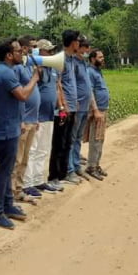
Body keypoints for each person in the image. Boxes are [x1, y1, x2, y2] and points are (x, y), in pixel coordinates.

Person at [0, 38, 39, 229]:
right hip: (4, 130)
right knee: (4, 171)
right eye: (18, 51)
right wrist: (34, 78)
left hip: (9, 127)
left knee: (8, 169)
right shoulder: (5, 73)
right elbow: (23, 95)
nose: (22, 53)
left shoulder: (4, 71)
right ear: (9, 55)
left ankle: (8, 205)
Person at [24, 39, 63, 196]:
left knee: (43, 149)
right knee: (32, 149)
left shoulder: (53, 69)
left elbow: (56, 88)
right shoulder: (34, 68)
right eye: (48, 51)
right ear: (39, 52)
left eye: (52, 50)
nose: (52, 53)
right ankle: (28, 182)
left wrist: (60, 107)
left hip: (48, 114)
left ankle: (39, 180)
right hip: (37, 116)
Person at [48, 30, 81, 188]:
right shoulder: (60, 59)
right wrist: (63, 106)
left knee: (68, 141)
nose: (79, 44)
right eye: (77, 41)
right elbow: (57, 83)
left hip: (72, 107)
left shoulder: (72, 59)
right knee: (59, 143)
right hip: (63, 108)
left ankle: (64, 174)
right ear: (72, 42)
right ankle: (54, 175)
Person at [15, 36, 41, 204]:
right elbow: (18, 94)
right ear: (24, 48)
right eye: (31, 47)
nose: (34, 50)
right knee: (17, 159)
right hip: (24, 121)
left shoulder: (27, 67)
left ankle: (19, 189)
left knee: (24, 159)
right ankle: (12, 192)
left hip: (32, 119)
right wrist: (21, 119)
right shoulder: (17, 69)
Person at [68, 37, 93, 182]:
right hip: (77, 106)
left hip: (85, 106)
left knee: (78, 138)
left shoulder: (83, 63)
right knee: (72, 138)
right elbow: (71, 84)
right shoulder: (74, 64)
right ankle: (70, 168)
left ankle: (76, 165)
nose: (87, 51)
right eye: (85, 48)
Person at [85, 49, 110, 180]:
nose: (102, 59)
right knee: (95, 139)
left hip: (102, 109)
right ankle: (91, 167)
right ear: (92, 59)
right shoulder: (90, 72)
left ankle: (96, 164)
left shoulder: (98, 71)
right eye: (100, 57)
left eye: (102, 56)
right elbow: (90, 92)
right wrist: (95, 110)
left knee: (100, 139)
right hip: (98, 110)